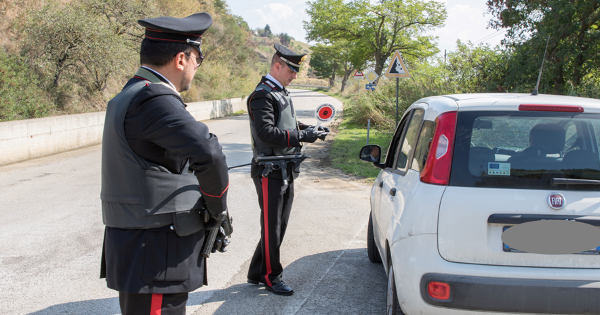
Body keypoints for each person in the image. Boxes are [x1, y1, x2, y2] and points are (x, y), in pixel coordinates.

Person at [100, 12, 231, 315]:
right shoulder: (155, 99)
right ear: (181, 59)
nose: (197, 67)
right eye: (198, 58)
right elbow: (209, 153)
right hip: (156, 253)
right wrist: (217, 208)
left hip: (144, 247)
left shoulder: (132, 92)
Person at [246, 44, 328, 295]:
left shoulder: (280, 92)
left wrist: (310, 130)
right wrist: (301, 135)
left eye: (296, 71)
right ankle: (272, 276)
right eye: (291, 70)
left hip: (284, 167)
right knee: (273, 228)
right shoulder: (263, 95)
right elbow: (267, 132)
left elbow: (287, 124)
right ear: (277, 65)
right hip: (269, 170)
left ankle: (256, 271)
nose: (294, 75)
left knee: (278, 225)